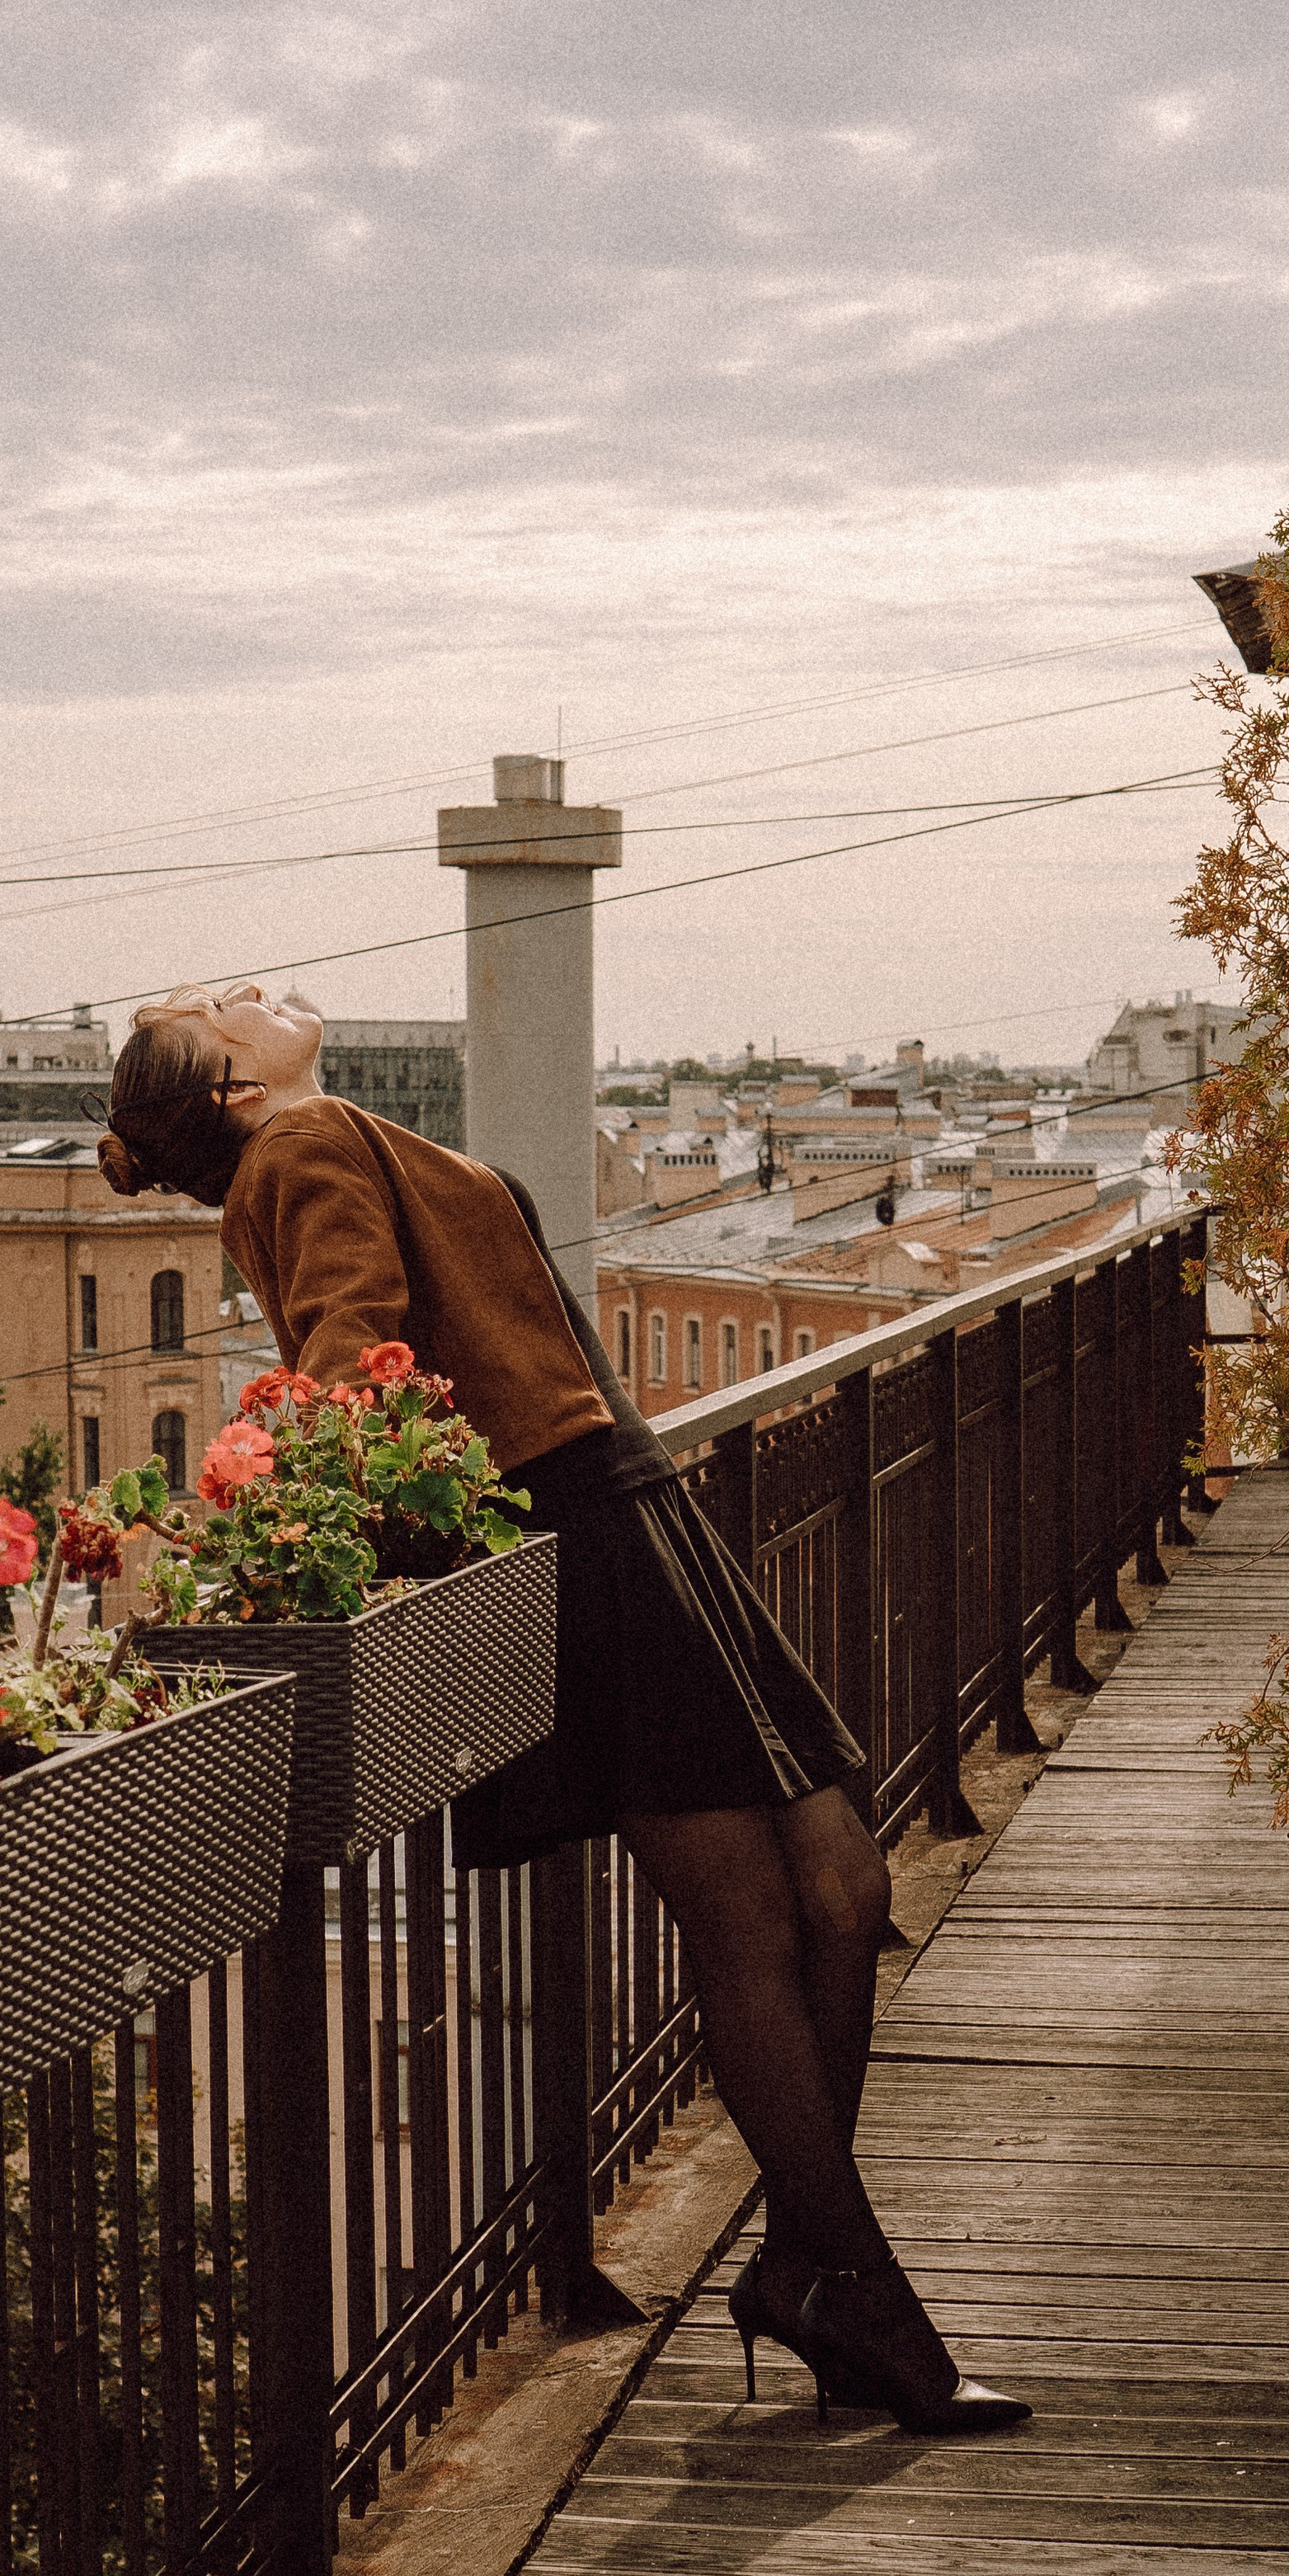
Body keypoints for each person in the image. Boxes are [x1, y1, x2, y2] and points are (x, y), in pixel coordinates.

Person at [99, 981, 1028, 2434]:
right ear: (232, 1087)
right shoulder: (307, 1140)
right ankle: (864, 2299)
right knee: (761, 1913)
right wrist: (317, 1508)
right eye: (225, 1009)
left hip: (627, 1505)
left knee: (840, 1887)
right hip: (583, 1527)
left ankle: (804, 2264)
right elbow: (349, 1356)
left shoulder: (313, 1142)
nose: (249, 993)